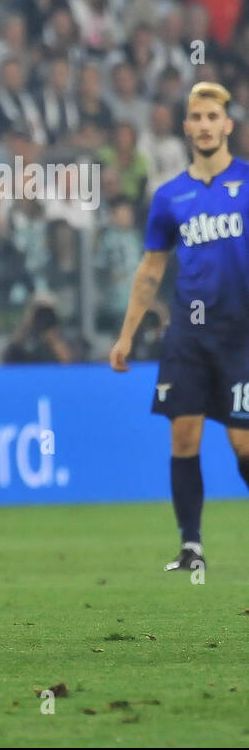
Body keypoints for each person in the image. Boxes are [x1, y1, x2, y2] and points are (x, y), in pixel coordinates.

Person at [109, 81, 249, 572]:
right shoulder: (170, 196)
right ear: (187, 127)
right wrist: (126, 335)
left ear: (228, 125)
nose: (206, 126)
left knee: (243, 443)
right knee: (184, 437)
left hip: (240, 336)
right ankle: (191, 548)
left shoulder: (248, 183)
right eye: (198, 118)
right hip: (188, 337)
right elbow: (151, 269)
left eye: (215, 117)